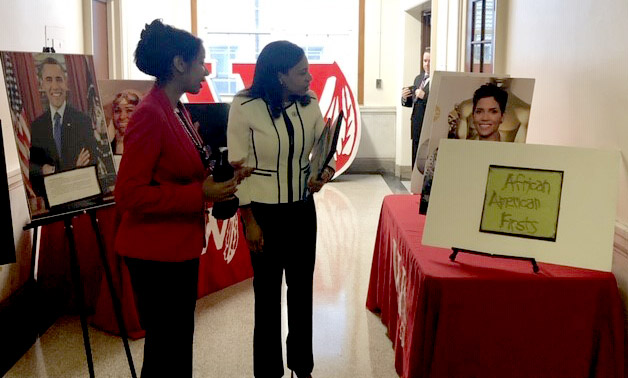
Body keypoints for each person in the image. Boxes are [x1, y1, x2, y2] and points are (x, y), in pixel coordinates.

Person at [114, 19, 251, 377]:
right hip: (154, 255)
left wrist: (224, 175)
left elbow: (185, 170)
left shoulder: (177, 110)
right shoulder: (149, 115)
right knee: (164, 351)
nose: (206, 70)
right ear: (179, 64)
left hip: (178, 248)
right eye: (201, 62)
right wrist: (198, 193)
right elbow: (129, 194)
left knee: (177, 345)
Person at [227, 40, 335, 378]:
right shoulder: (245, 105)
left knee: (302, 292)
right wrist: (249, 220)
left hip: (302, 211)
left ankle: (303, 367)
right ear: (279, 75)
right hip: (263, 213)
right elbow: (238, 167)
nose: (310, 78)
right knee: (267, 298)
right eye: (302, 72)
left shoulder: (310, 103)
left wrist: (325, 173)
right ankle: (268, 372)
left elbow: (325, 146)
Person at [29, 56, 98, 197]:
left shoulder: (83, 121)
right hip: (52, 197)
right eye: (49, 80)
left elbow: (91, 164)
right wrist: (44, 169)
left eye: (59, 79)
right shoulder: (37, 126)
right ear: (41, 85)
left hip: (80, 196)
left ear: (66, 83)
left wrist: (54, 171)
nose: (55, 86)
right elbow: (32, 167)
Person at [401, 47, 431, 168]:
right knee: (415, 154)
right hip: (416, 124)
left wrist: (425, 96)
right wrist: (404, 97)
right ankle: (414, 182)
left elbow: (437, 102)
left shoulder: (436, 80)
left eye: (429, 61)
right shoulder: (418, 78)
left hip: (428, 124)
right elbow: (413, 101)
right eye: (425, 61)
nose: (427, 64)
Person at [110, 89, 141, 155]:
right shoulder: (107, 150)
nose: (122, 117)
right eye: (117, 111)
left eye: (129, 110)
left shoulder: (148, 147)